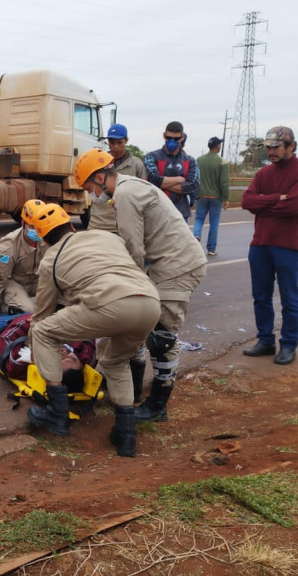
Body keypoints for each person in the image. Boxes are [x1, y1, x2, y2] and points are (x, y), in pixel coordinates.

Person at [74, 148, 207, 423]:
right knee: (140, 326)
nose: (90, 194)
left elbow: (134, 249)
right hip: (166, 264)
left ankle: (158, 404)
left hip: (178, 267)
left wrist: (121, 287)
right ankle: (132, 393)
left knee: (162, 336)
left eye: (89, 186)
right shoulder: (128, 188)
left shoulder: (125, 194)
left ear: (100, 177)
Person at [23, 203, 160, 457]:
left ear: (43, 239)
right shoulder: (107, 237)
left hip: (110, 303)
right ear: (72, 225)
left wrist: (34, 347)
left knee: (43, 331)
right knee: (116, 360)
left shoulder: (51, 259)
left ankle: (57, 414)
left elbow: (42, 314)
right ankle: (126, 435)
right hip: (150, 302)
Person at [240, 126, 298, 365]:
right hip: (261, 242)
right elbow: (246, 200)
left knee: (288, 298)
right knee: (260, 296)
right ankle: (265, 340)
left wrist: (263, 202)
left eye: (276, 147)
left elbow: (294, 207)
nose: (271, 151)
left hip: (289, 244)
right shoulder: (264, 174)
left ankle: (289, 345)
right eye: (269, 147)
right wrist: (277, 197)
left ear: (291, 146)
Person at [0, 199, 47, 315]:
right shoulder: (8, 245)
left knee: (64, 298)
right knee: (27, 312)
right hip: (16, 283)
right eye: (33, 226)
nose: (37, 230)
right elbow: (0, 275)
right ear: (23, 223)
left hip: (37, 280)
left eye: (40, 225)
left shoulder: (49, 239)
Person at [89, 124, 147, 232]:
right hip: (98, 223)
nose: (115, 146)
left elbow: (143, 193)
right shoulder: (98, 162)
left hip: (124, 223)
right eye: (112, 142)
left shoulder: (136, 165)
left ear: (126, 140)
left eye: (119, 142)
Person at [144, 121, 200, 222]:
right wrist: (179, 179)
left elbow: (193, 185)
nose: (172, 141)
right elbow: (152, 180)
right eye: (169, 138)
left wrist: (162, 183)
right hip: (157, 213)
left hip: (181, 214)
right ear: (164, 135)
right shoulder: (151, 157)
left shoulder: (190, 160)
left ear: (182, 137)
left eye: (176, 139)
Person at [193, 136, 231, 256]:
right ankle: (211, 248)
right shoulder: (222, 162)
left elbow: (195, 177)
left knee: (199, 218)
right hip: (216, 197)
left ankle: (196, 235)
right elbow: (224, 182)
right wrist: (226, 198)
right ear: (218, 146)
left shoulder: (199, 160)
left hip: (201, 195)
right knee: (214, 222)